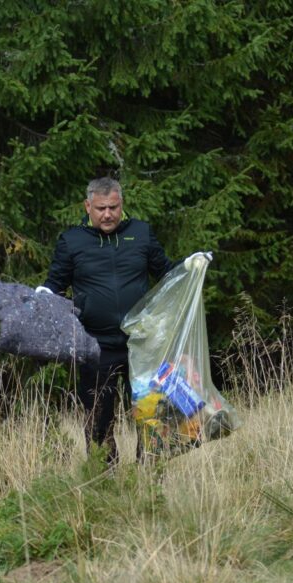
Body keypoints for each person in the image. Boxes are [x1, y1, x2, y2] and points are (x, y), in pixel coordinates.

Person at [38, 177, 209, 467]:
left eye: (113, 207)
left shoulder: (140, 233)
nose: (108, 214)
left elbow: (166, 273)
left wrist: (189, 266)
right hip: (95, 345)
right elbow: (56, 283)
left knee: (151, 413)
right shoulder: (72, 241)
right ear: (88, 206)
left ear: (122, 205)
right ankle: (105, 478)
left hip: (142, 345)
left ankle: (150, 476)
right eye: (101, 208)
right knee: (98, 417)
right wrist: (45, 292)